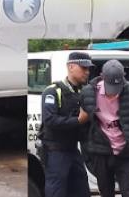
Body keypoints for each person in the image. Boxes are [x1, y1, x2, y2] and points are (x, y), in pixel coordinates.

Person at [81, 59, 129, 197]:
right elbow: (86, 124)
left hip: (127, 153)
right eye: (111, 86)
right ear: (102, 76)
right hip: (101, 152)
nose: (114, 93)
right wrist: (91, 148)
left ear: (123, 76)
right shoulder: (88, 93)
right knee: (106, 193)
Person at [39, 52, 93, 197]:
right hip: (55, 151)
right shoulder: (52, 91)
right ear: (71, 67)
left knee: (81, 189)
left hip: (73, 149)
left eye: (88, 69)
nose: (87, 72)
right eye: (83, 68)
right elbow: (50, 121)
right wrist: (78, 120)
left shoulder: (84, 92)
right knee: (57, 191)